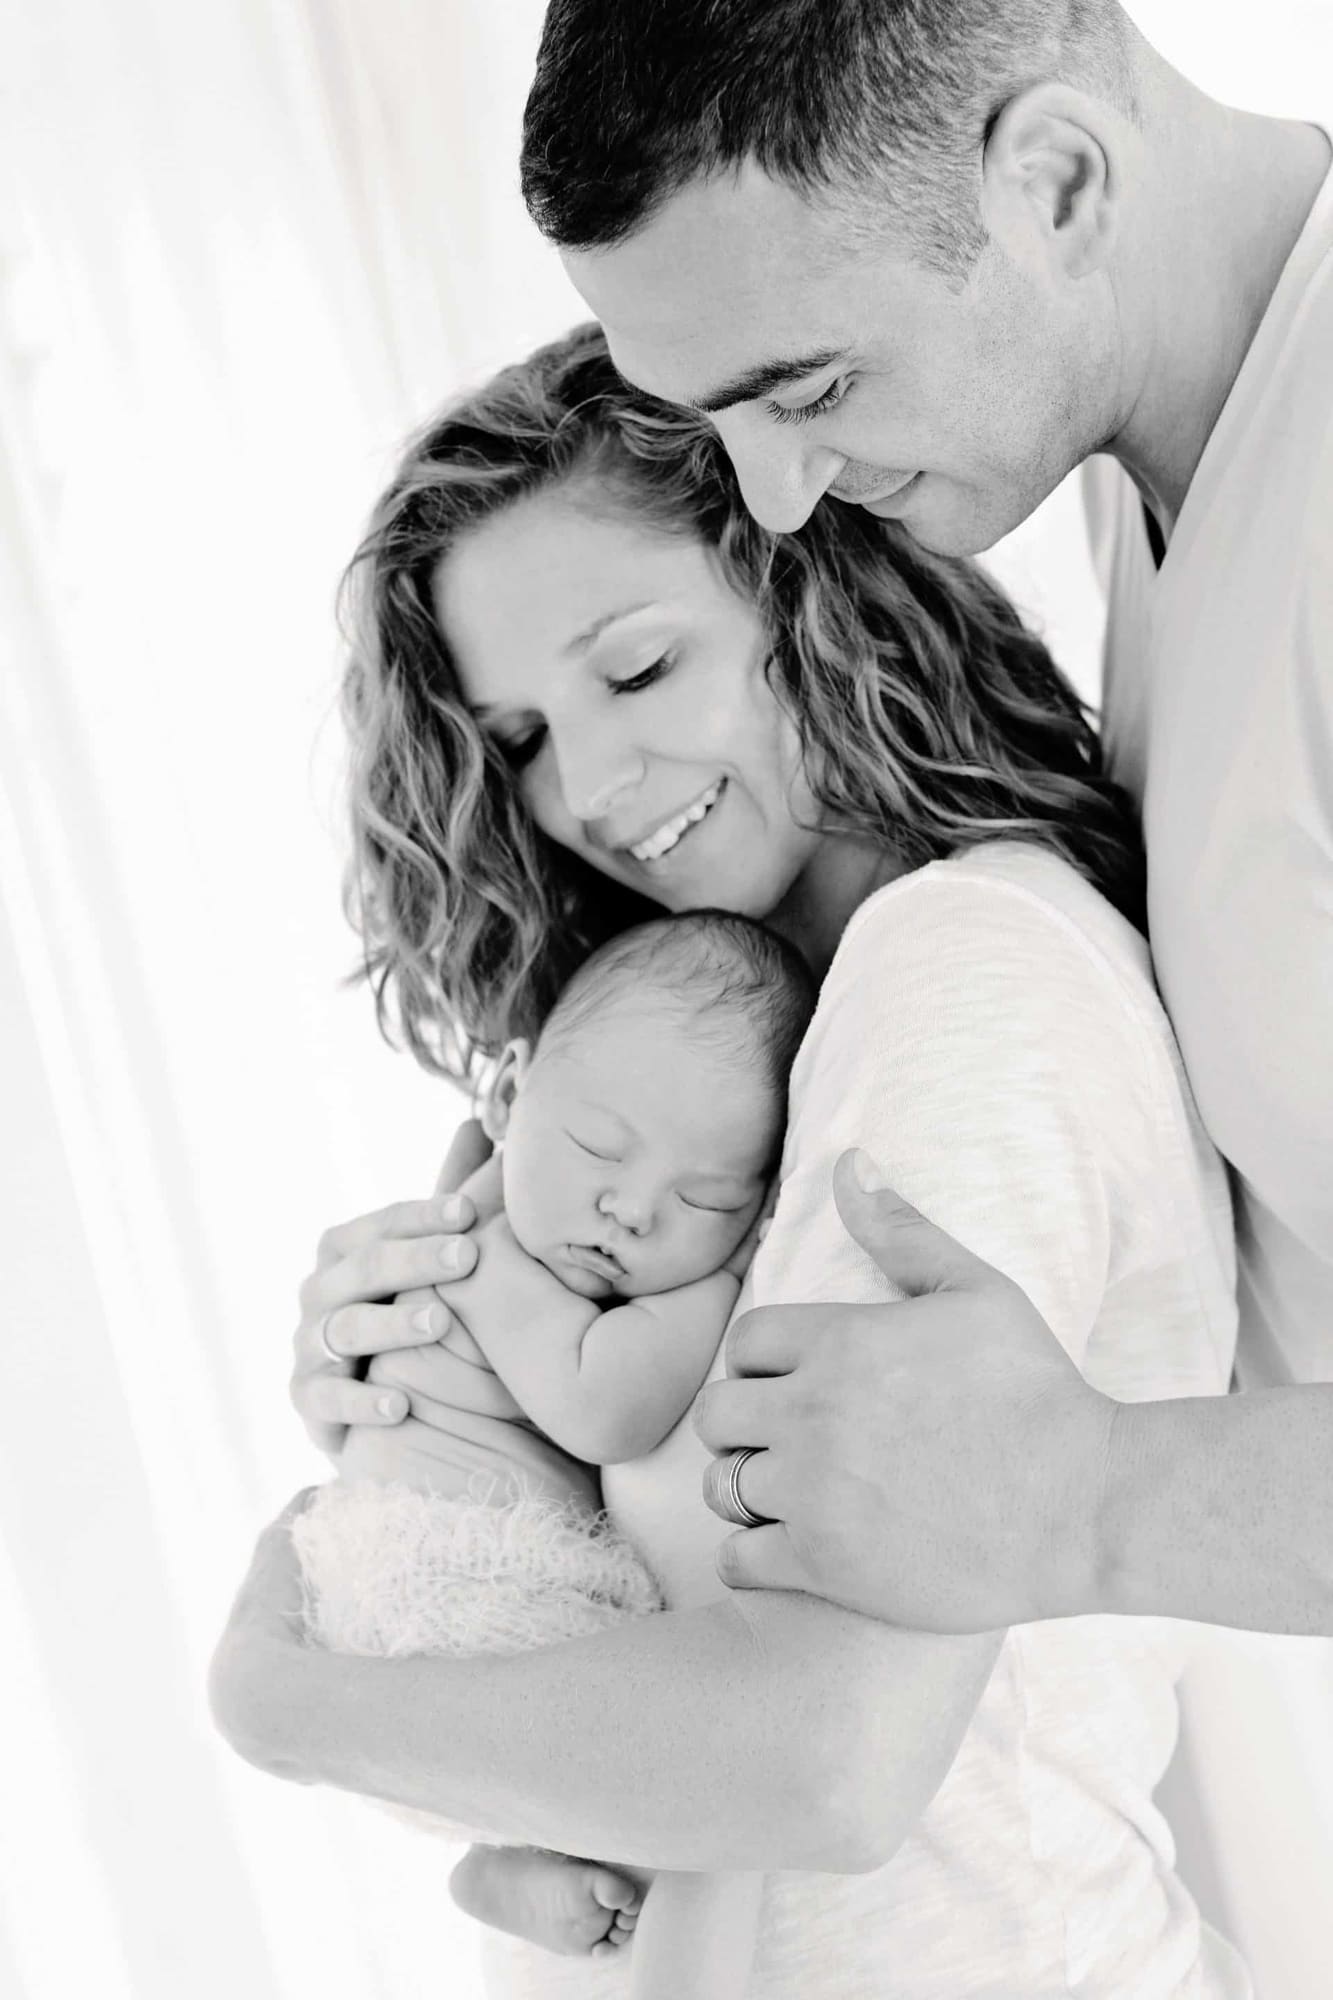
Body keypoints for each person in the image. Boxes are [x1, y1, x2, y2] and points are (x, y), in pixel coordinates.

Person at [212, 324, 1250, 1996]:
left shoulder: (958, 973)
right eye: (524, 737)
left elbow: (821, 1761)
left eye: (634, 671)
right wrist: (448, 1396)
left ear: (809, 590)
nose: (592, 791)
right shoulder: (774, 1050)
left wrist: (289, 1709)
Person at [513, 0, 1333, 1640]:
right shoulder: (1161, 466)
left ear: (1053, 185)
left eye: (804, 386)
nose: (772, 500)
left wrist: (1086, 1497)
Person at [296, 908, 815, 1992]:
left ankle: (504, 1858)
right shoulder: (479, 1258)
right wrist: (723, 1271)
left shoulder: (482, 1201)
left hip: (396, 1630)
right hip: (446, 1590)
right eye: (596, 1150)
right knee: (695, 1758)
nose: (631, 1210)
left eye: (707, 1197)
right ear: (505, 1092)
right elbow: (605, 1408)